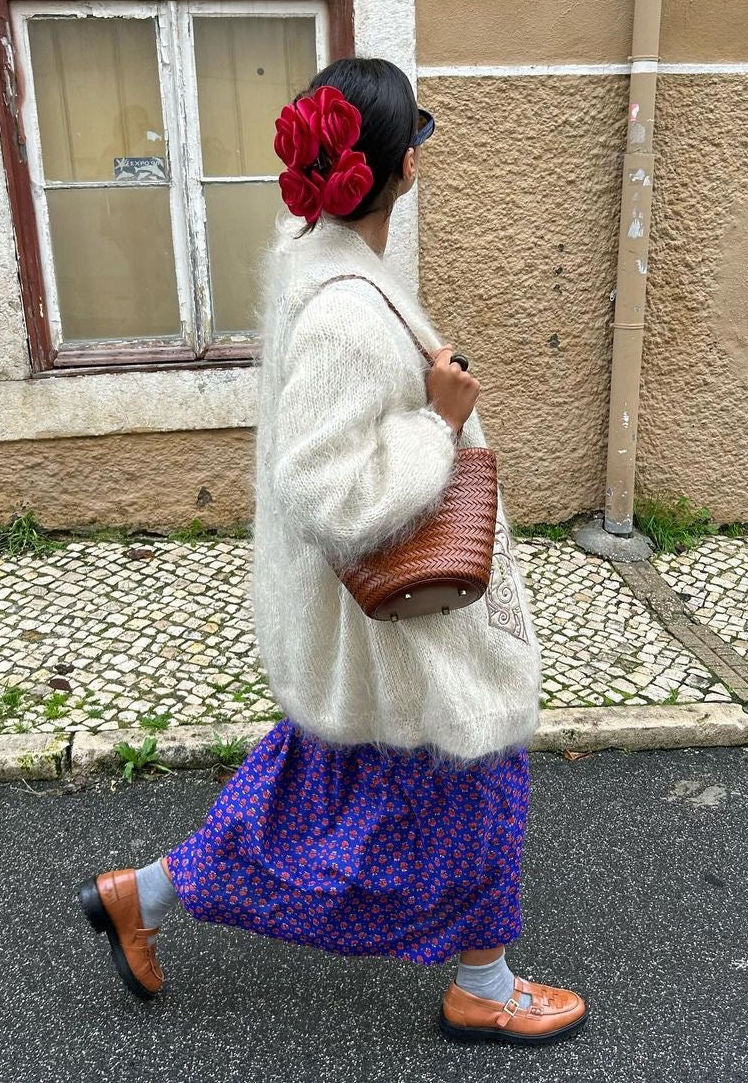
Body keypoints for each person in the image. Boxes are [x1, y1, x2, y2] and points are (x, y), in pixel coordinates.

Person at [77, 57, 589, 1047]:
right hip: (401, 626)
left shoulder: (320, 267)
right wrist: (438, 425)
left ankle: (136, 896)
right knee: (479, 774)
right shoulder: (350, 313)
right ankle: (483, 983)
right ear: (403, 168)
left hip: (358, 629)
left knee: (308, 792)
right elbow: (324, 489)